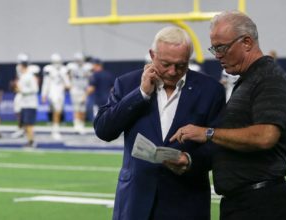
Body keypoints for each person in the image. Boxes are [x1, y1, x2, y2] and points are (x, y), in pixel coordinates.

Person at [171, 11, 286, 219]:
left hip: (260, 202)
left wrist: (208, 133)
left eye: (222, 47)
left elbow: (265, 136)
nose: (217, 55)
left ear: (247, 42)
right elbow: (231, 144)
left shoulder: (269, 78)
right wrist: (190, 160)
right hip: (243, 200)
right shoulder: (248, 79)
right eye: (214, 48)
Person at [94, 26, 225, 220]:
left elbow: (220, 143)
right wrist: (141, 94)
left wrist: (190, 160)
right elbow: (104, 130)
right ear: (152, 55)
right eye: (165, 64)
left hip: (187, 201)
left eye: (181, 65)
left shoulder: (211, 90)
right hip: (135, 201)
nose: (173, 71)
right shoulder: (128, 83)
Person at [11, 53, 40, 138]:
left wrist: (22, 90)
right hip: (23, 100)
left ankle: (30, 140)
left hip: (29, 101)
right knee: (18, 112)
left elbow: (35, 87)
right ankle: (21, 130)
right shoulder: (22, 74)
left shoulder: (31, 73)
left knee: (28, 122)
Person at [67, 52, 93, 134]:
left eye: (80, 60)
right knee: (76, 108)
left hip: (83, 90)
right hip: (75, 89)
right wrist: (69, 85)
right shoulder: (71, 67)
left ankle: (81, 125)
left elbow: (91, 78)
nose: (79, 62)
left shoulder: (87, 67)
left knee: (83, 109)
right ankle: (76, 125)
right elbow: (68, 77)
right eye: (77, 60)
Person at [16, 60, 39, 148]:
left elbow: (35, 89)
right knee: (25, 124)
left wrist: (22, 91)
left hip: (30, 103)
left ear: (23, 66)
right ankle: (29, 140)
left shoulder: (30, 76)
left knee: (29, 124)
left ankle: (31, 141)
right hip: (24, 103)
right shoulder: (23, 76)